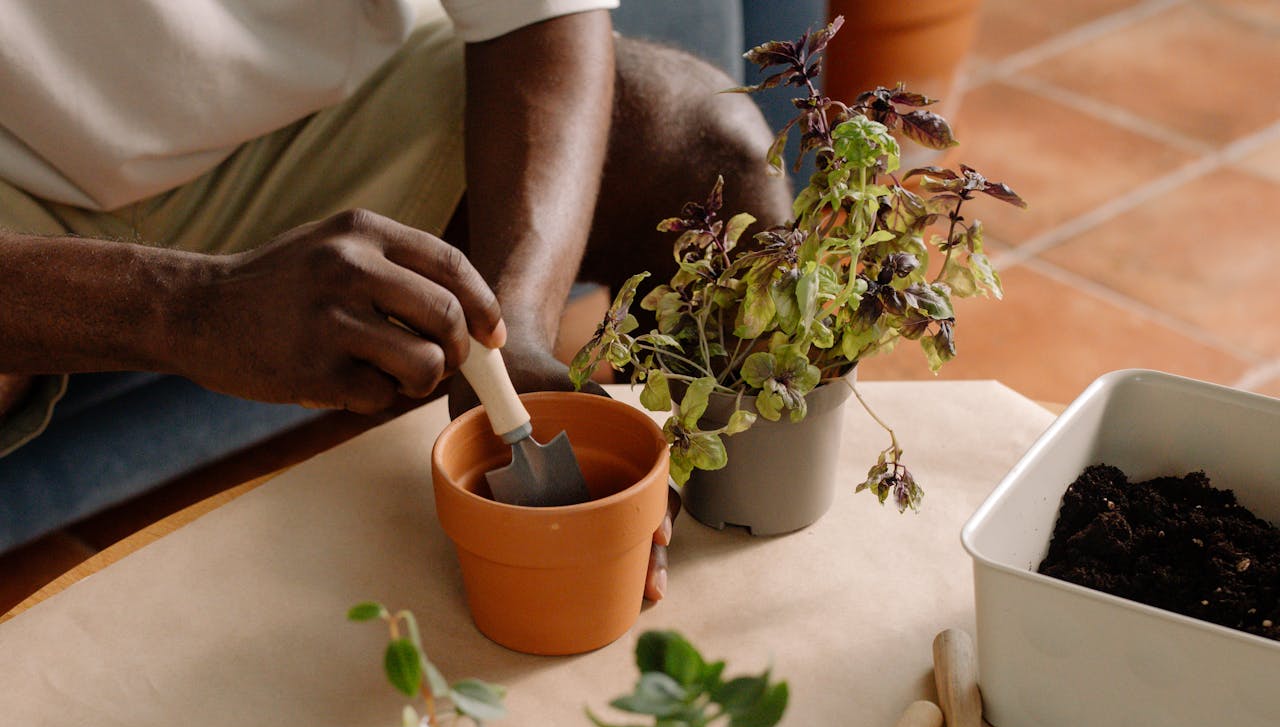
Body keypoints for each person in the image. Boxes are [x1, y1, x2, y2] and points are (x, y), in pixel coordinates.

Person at [0, 0, 793, 597]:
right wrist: (188, 306)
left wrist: (510, 319)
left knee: (711, 154)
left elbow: (537, 17)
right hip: (18, 172)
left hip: (317, 106)